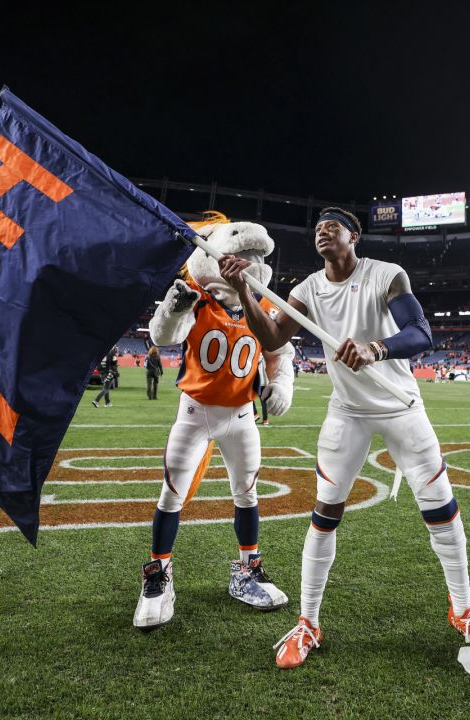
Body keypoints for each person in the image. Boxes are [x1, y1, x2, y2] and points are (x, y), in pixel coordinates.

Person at [221, 206, 470, 669]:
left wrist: (374, 347)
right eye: (317, 228)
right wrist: (243, 291)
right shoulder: (307, 290)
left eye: (332, 227)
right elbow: (274, 339)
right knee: (324, 513)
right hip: (348, 414)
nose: (322, 233)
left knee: (439, 508)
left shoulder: (386, 275)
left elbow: (421, 333)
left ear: (353, 236)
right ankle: (308, 622)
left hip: (401, 407)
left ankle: (462, 611)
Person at [133, 212, 295, 630]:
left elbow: (281, 354)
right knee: (171, 496)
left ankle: (247, 570)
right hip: (196, 412)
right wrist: (173, 308)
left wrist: (280, 385)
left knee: (248, 494)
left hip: (241, 417)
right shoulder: (194, 297)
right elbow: (163, 336)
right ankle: (159, 575)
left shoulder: (262, 305)